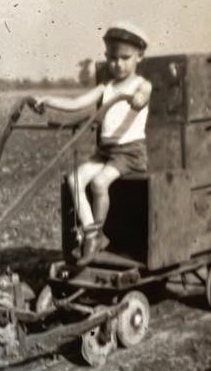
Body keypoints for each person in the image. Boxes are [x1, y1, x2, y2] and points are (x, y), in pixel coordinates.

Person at [29, 22, 152, 265]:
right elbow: (76, 103)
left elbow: (143, 96)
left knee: (99, 182)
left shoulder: (140, 84)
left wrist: (138, 100)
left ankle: (95, 235)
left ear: (139, 56)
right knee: (74, 180)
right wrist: (48, 99)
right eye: (113, 58)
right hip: (106, 152)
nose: (118, 64)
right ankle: (93, 234)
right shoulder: (106, 87)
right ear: (107, 57)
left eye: (125, 58)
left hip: (130, 154)